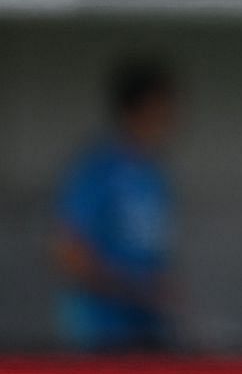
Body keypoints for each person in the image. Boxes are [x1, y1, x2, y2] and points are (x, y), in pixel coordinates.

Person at [53, 58, 180, 352]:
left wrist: (160, 291)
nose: (172, 118)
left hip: (146, 331)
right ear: (143, 106)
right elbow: (68, 252)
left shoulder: (154, 174)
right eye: (164, 107)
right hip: (100, 332)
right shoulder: (98, 169)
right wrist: (130, 288)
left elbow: (150, 253)